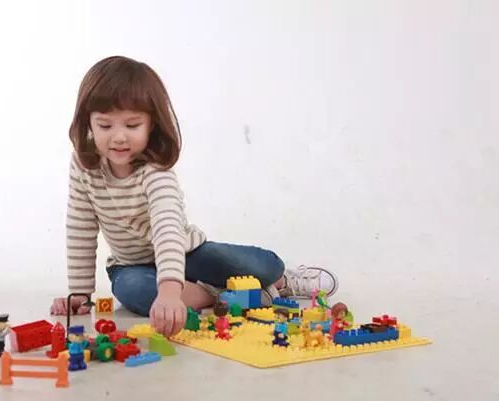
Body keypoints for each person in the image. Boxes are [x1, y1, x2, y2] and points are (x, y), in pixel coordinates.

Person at [50, 56, 339, 337]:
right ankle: (232, 296)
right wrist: (80, 294)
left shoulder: (156, 171)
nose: (118, 137)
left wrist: (170, 290)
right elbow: (80, 226)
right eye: (105, 126)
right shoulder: (84, 166)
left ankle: (281, 281)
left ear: (152, 124)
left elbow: (167, 229)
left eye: (132, 125)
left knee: (264, 267)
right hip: (131, 265)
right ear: (88, 123)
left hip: (186, 253)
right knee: (133, 292)